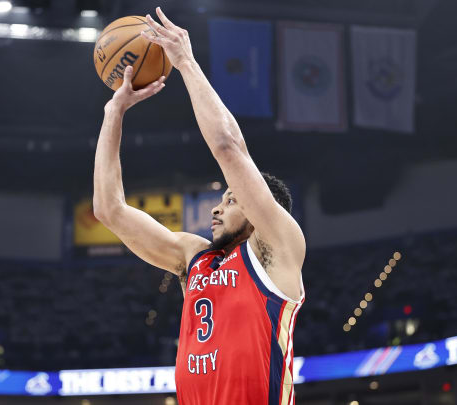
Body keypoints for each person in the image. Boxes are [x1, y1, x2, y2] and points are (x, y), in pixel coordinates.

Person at [92, 7, 305, 404]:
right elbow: (109, 210)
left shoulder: (279, 249)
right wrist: (113, 113)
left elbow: (228, 148)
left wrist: (185, 62)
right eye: (221, 199)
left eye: (232, 199)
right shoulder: (195, 258)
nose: (217, 209)